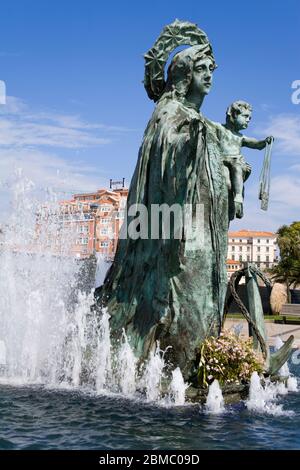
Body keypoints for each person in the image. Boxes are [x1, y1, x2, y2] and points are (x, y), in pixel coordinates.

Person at [96, 23, 235, 378]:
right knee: (185, 293)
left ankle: (203, 366)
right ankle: (177, 368)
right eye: (202, 70)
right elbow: (165, 151)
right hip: (171, 224)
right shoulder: (168, 112)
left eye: (211, 70)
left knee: (205, 291)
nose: (209, 77)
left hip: (202, 226)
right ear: (185, 74)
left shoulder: (201, 121)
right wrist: (190, 142)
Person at [215, 100, 274, 218]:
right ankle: (233, 202)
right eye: (246, 116)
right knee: (227, 182)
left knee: (237, 167)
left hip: (236, 162)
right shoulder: (219, 128)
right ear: (234, 114)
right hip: (222, 161)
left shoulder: (240, 137)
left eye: (250, 118)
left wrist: (265, 141)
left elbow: (256, 144)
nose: (248, 120)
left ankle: (238, 199)